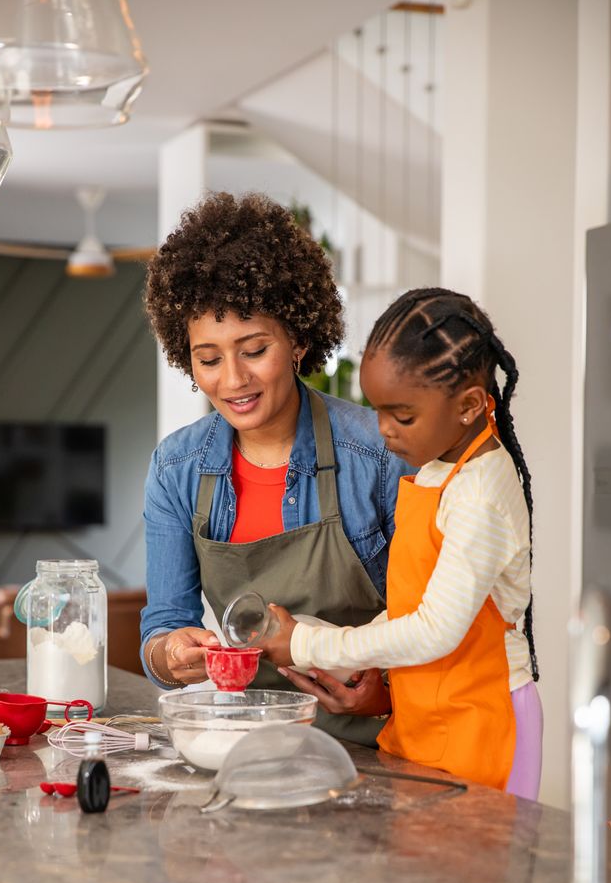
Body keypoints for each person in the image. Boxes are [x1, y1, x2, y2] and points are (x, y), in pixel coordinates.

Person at [140, 192, 410, 745]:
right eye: (209, 359)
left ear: (298, 339)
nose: (233, 379)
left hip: (378, 748)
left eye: (254, 348)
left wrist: (383, 687)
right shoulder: (176, 469)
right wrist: (170, 655)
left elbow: (433, 621)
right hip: (245, 746)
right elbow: (163, 624)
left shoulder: (379, 454)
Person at [261, 287, 543, 797]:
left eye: (402, 415)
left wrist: (312, 643)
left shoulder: (480, 490)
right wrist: (349, 657)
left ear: (469, 405)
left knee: (482, 874)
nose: (383, 430)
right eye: (378, 410)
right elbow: (415, 604)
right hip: (426, 717)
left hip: (483, 722)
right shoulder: (440, 468)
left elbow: (436, 629)